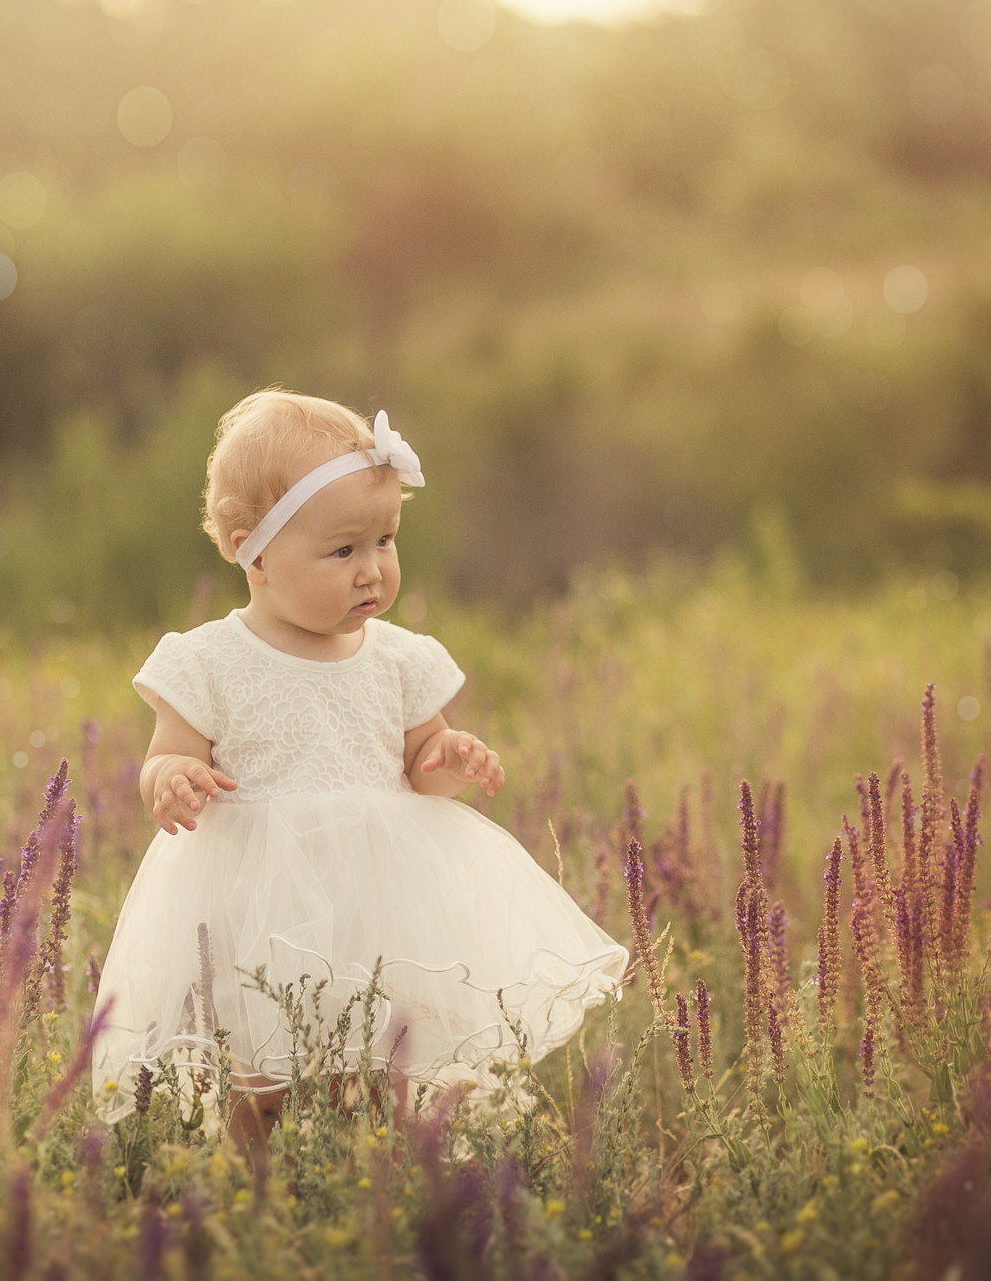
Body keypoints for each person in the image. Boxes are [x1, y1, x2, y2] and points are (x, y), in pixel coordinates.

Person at [90, 389, 627, 1149]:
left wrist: (449, 757)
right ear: (255, 553)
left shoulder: (399, 659)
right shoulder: (209, 661)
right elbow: (164, 758)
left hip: (380, 900)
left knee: (383, 1060)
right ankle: (258, 1173)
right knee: (261, 1067)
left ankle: (374, 1171)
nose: (373, 569)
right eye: (344, 551)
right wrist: (172, 780)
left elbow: (420, 768)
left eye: (385, 540)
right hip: (261, 903)